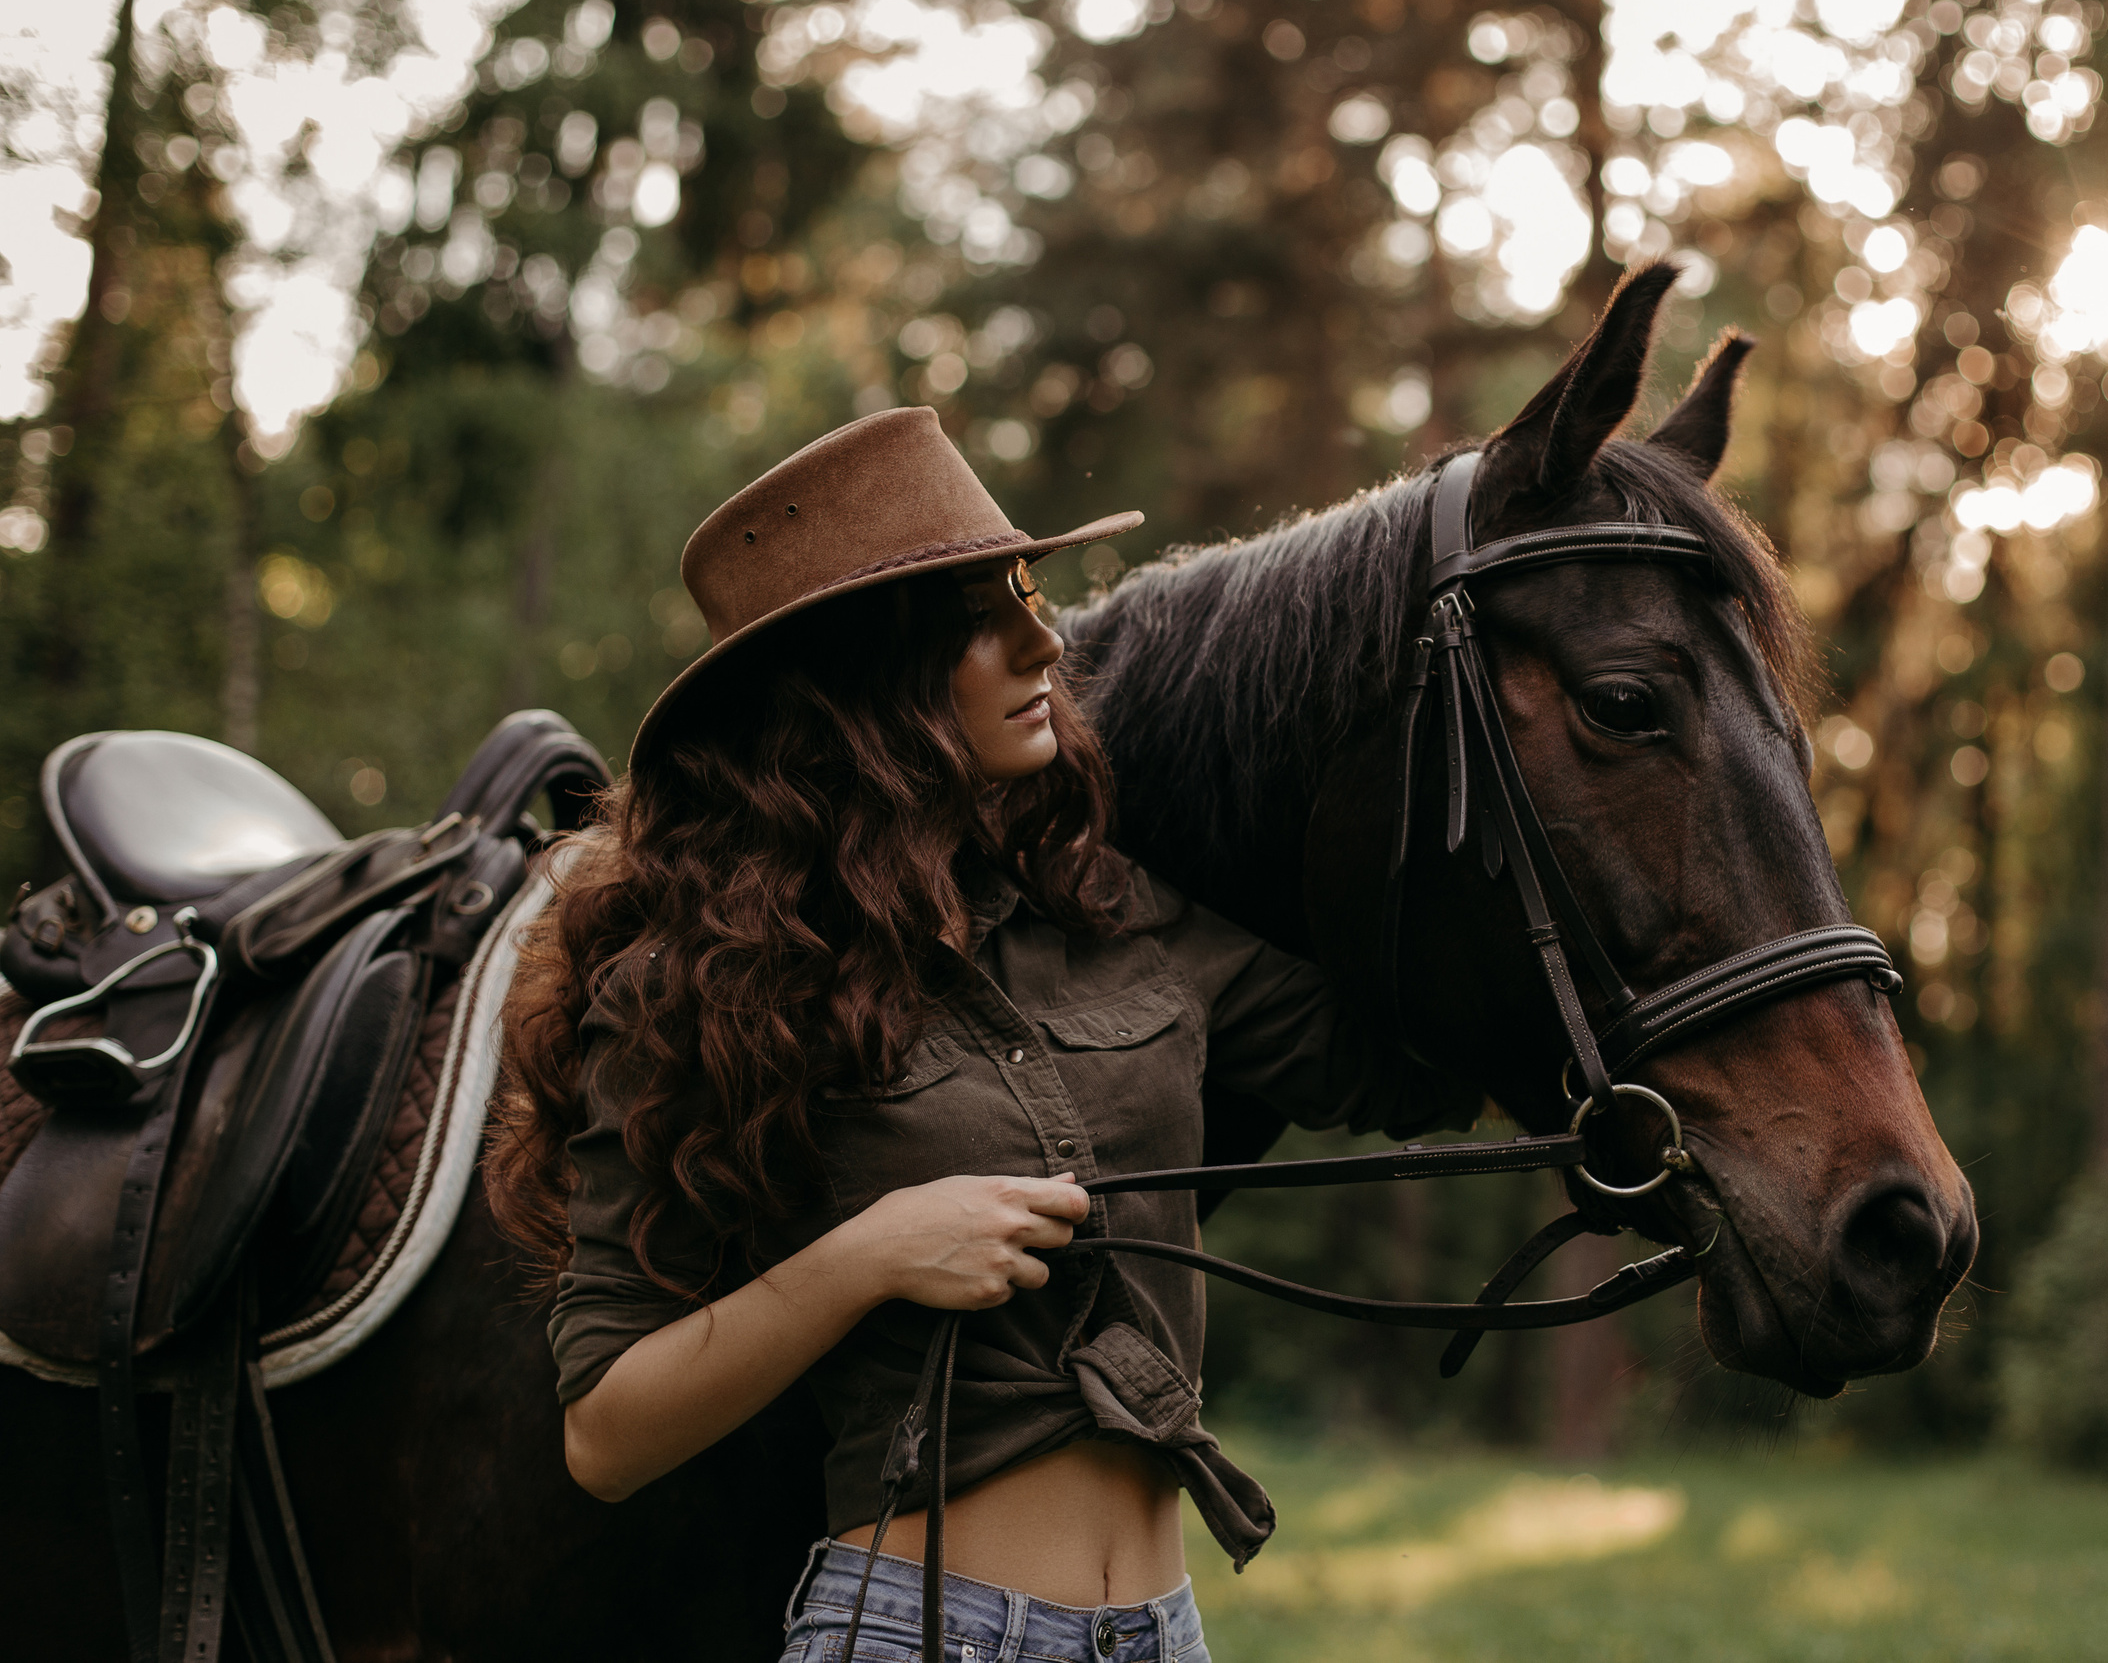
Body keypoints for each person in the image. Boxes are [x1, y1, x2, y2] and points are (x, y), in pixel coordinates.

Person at [486, 409, 1466, 1663]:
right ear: (859, 686)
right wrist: (873, 1254)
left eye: (1028, 595)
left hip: (1162, 1634)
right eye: (980, 616)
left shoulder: (1116, 908)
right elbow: (607, 1437)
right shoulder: (701, 989)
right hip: (924, 1632)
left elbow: (1397, 1067)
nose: (1041, 640)